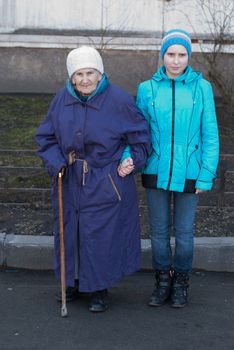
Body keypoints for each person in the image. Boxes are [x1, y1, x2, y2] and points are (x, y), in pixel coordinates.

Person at [35, 46, 150, 312]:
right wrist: (57, 163)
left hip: (104, 178)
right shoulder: (61, 99)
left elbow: (140, 137)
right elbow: (46, 138)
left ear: (100, 74)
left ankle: (99, 288)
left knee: (100, 235)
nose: (85, 79)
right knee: (70, 233)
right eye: (79, 74)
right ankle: (72, 282)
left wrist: (133, 159)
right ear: (71, 78)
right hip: (69, 176)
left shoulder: (119, 100)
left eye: (90, 73)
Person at [136, 29, 219, 308]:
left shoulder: (201, 88)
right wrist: (130, 158)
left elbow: (210, 134)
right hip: (156, 169)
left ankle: (181, 282)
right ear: (162, 56)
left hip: (190, 173)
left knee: (184, 233)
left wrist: (206, 174)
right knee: (158, 232)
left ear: (189, 56)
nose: (175, 60)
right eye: (170, 54)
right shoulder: (147, 88)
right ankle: (162, 282)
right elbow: (137, 132)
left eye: (181, 54)